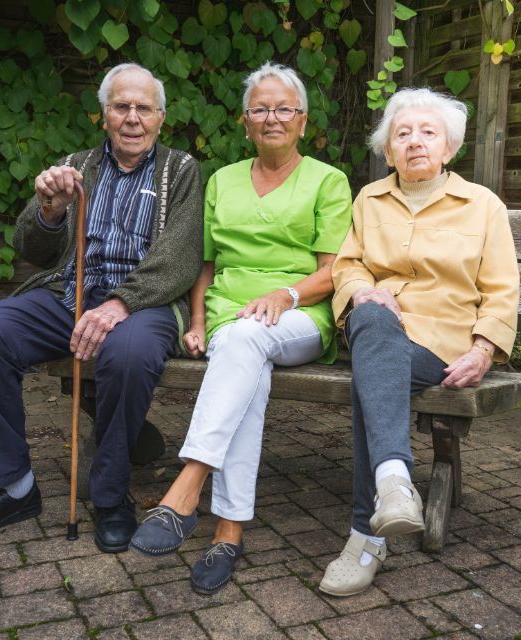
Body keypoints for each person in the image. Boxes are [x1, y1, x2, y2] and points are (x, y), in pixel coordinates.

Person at [0, 63, 204, 554]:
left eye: (143, 108)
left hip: (144, 303)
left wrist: (122, 302)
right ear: (103, 115)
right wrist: (50, 211)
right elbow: (31, 248)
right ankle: (11, 488)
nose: (132, 117)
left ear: (160, 118)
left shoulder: (180, 170)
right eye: (120, 106)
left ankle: (108, 497)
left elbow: (182, 255)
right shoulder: (75, 166)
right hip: (71, 293)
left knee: (127, 354)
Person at [128, 61, 352, 595]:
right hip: (231, 322)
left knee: (248, 340)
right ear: (244, 122)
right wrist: (199, 321)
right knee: (244, 354)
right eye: (260, 109)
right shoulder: (222, 181)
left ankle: (189, 481)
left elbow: (335, 270)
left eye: (283, 109)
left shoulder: (328, 180)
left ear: (302, 121)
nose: (271, 117)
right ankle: (227, 533)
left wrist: (285, 293)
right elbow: (206, 266)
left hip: (299, 316)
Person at [319, 88, 519, 596]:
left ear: (449, 147)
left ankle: (367, 533)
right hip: (380, 328)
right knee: (372, 324)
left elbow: (500, 288)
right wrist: (363, 289)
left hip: (440, 343)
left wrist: (483, 350)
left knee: (373, 362)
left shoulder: (482, 207)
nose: (414, 142)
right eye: (401, 134)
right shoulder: (370, 199)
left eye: (428, 133)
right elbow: (347, 265)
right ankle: (393, 485)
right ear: (388, 151)